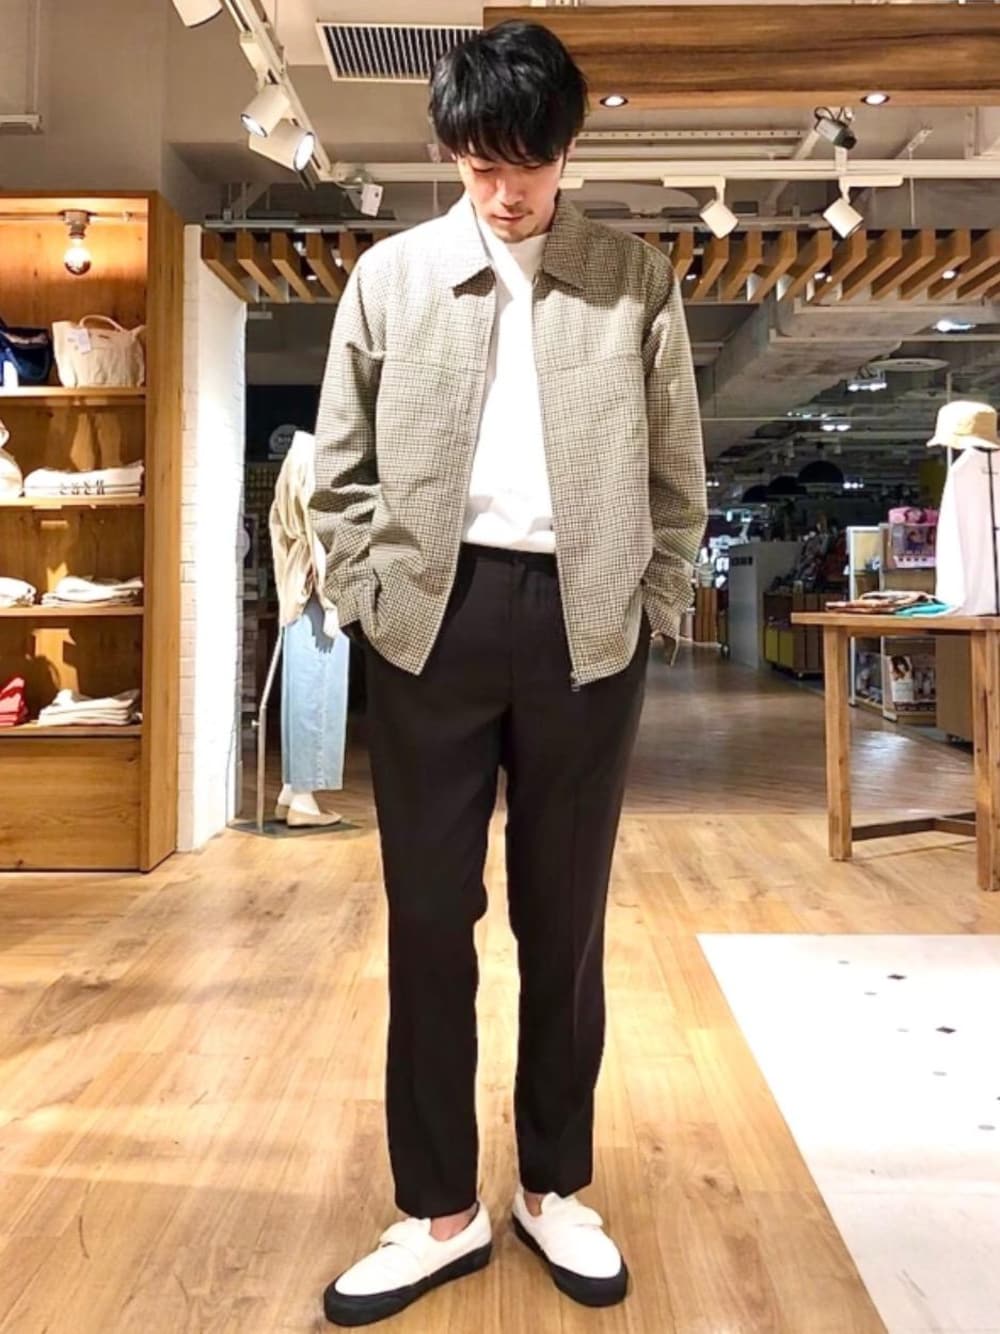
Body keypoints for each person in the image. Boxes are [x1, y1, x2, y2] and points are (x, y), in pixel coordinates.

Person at [310, 19, 707, 1327]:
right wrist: (366, 595)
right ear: (451, 155)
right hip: (429, 619)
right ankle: (440, 1209)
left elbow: (677, 477)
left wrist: (650, 604)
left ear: (568, 150)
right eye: (480, 164)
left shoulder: (633, 281)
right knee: (429, 918)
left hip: (587, 626)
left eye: (526, 163)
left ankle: (551, 1185)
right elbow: (340, 466)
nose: (504, 190)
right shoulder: (393, 278)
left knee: (565, 918)